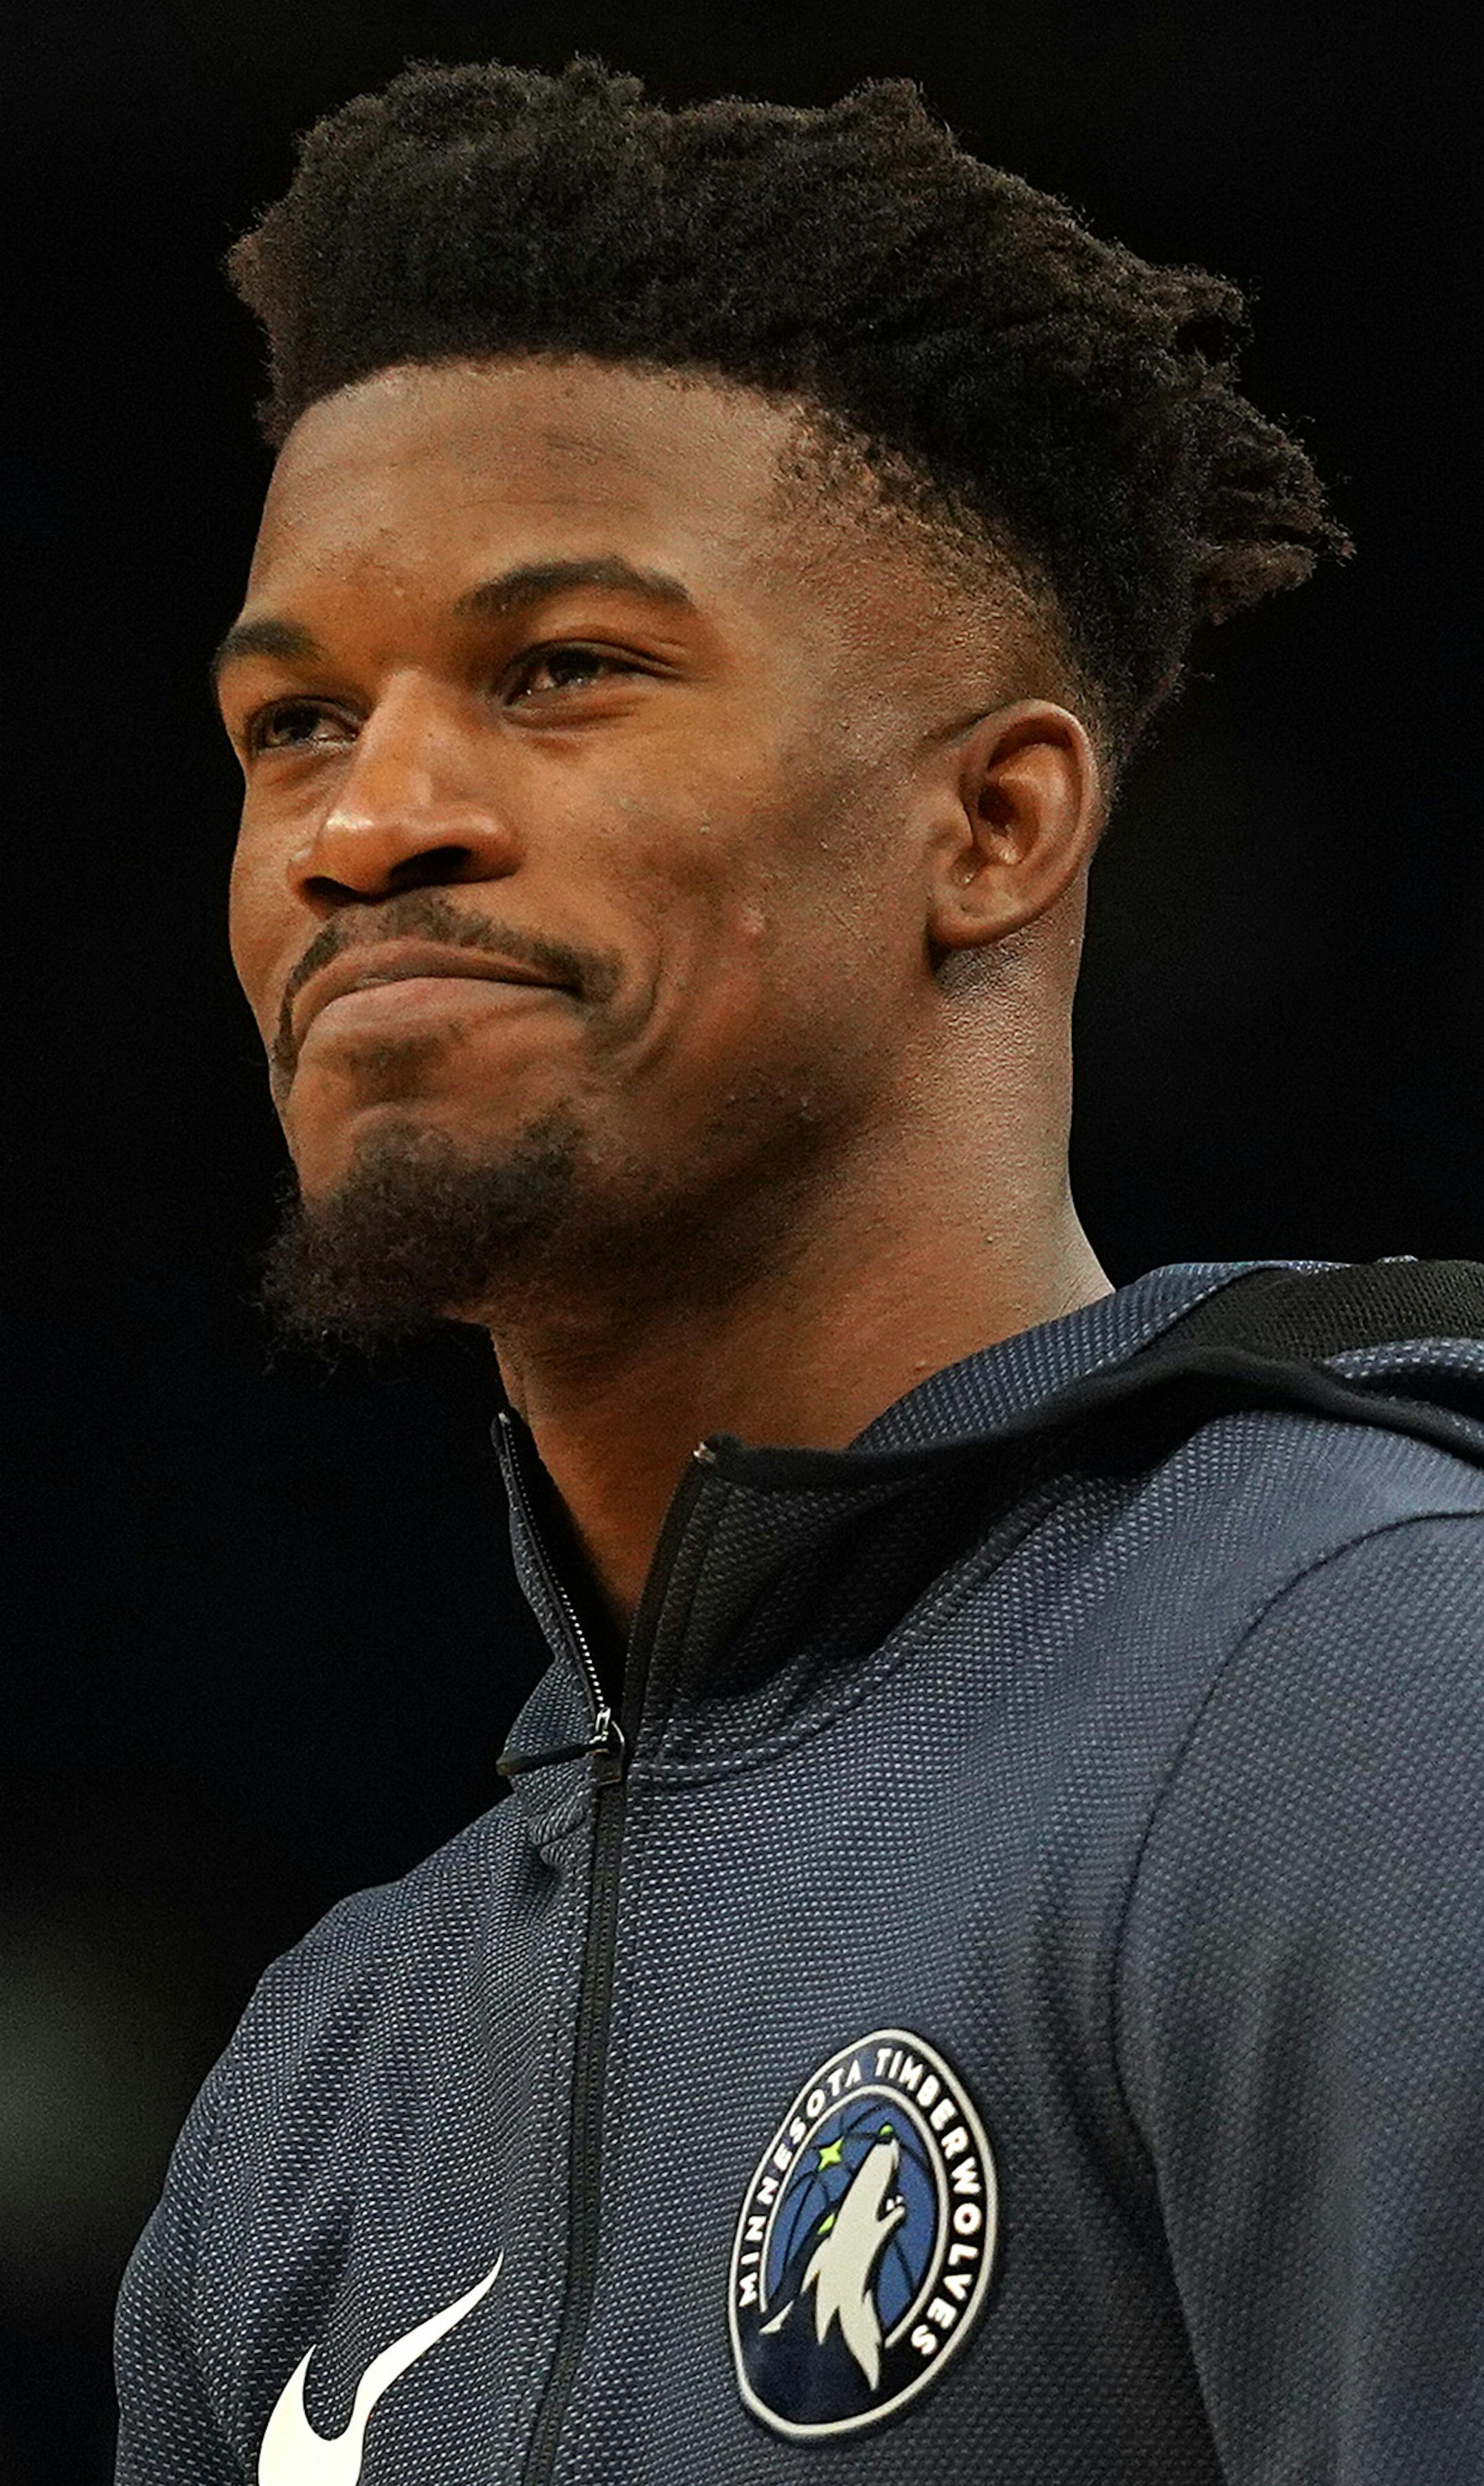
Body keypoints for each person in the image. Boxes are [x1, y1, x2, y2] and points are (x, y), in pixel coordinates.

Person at [114, 60, 1484, 2486]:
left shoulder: (1356, 1685)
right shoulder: (318, 2094)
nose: (363, 820)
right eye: (290, 719)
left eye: (561, 673)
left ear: (995, 821)